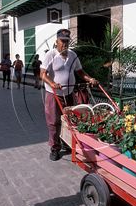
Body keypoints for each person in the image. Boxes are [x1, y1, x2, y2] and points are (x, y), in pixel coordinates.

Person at [41, 28, 99, 161]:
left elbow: (80, 72)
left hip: (69, 92)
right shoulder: (50, 55)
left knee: (70, 120)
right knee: (54, 122)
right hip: (53, 94)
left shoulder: (73, 55)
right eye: (62, 41)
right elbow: (42, 74)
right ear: (56, 42)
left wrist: (90, 79)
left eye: (67, 41)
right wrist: (52, 83)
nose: (64, 44)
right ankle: (55, 148)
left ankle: (67, 143)